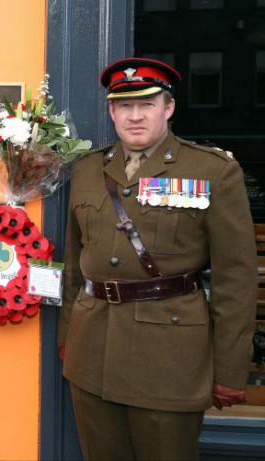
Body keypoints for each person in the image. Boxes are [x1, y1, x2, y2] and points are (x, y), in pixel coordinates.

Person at [58, 57, 257, 460]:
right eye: (124, 106)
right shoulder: (87, 169)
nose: (134, 116)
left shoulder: (212, 170)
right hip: (92, 350)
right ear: (111, 111)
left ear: (168, 108)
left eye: (146, 104)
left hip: (169, 357)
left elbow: (235, 277)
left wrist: (231, 369)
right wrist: (68, 337)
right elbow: (74, 261)